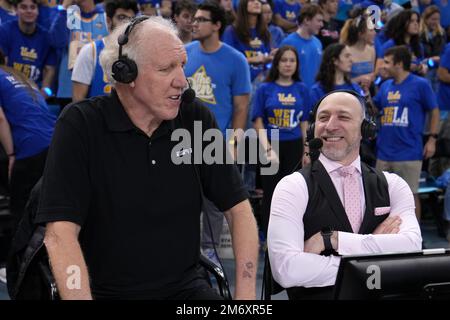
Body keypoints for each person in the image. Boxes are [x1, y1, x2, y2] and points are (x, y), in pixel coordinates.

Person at [36, 16, 258, 300]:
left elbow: (238, 210)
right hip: (105, 293)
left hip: (187, 291)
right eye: (166, 69)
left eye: (182, 66)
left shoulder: (195, 118)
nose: (182, 82)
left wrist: (246, 296)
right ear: (125, 74)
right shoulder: (81, 124)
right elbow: (60, 234)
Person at [268, 90, 422, 300]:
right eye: (323, 117)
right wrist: (373, 257)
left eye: (343, 116)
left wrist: (333, 240)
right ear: (312, 129)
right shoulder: (292, 187)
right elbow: (287, 269)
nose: (330, 125)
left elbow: (412, 247)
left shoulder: (393, 185)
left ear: (365, 129)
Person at [185, 1, 251, 264]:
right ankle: (185, 251)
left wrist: (233, 142)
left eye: (201, 20)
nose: (194, 23)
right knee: (183, 199)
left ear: (216, 26)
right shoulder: (184, 53)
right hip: (183, 140)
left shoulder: (236, 60)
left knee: (213, 205)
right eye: (194, 19)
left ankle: (209, 254)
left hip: (217, 140)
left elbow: (241, 106)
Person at [373, 45, 440, 221]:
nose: (383, 65)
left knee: (410, 196)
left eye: (387, 62)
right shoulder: (386, 85)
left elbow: (434, 111)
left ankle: (414, 237)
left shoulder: (421, 84)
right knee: (384, 199)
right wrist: (365, 92)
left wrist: (432, 139)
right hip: (384, 152)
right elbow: (375, 108)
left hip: (409, 151)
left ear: (399, 64)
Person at [252, 45, 311, 237]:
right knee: (271, 193)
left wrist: (306, 149)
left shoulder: (302, 89)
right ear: (276, 63)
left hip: (294, 145)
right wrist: (267, 148)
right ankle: (269, 236)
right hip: (271, 143)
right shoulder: (265, 89)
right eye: (284, 60)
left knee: (294, 193)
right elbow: (258, 121)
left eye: (292, 60)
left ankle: (292, 234)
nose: (288, 64)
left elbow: (304, 123)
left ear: (297, 64)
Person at [0, 49, 55, 227]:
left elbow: (0, 119)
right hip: (54, 143)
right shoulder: (20, 77)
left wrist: (11, 156)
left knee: (20, 217)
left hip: (31, 149)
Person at [71, 0, 138, 102]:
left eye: (131, 19)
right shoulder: (89, 51)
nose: (126, 24)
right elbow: (77, 101)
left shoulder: (139, 52)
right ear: (108, 21)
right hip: (96, 117)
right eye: (121, 18)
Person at [48, 0, 108, 109]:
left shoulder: (105, 16)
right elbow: (56, 42)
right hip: (68, 88)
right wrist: (65, 7)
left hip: (98, 86)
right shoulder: (68, 14)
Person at [0, 0, 57, 97]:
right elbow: (2, 66)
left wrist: (44, 93)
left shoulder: (46, 37)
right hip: (9, 89)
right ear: (16, 10)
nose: (29, 11)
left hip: (35, 92)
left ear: (38, 11)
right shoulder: (5, 31)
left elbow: (49, 69)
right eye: (24, 7)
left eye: (33, 7)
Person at [280, 4, 324, 89]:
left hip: (314, 96)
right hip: (295, 94)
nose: (322, 24)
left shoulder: (318, 43)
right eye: (318, 21)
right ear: (307, 20)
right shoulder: (289, 42)